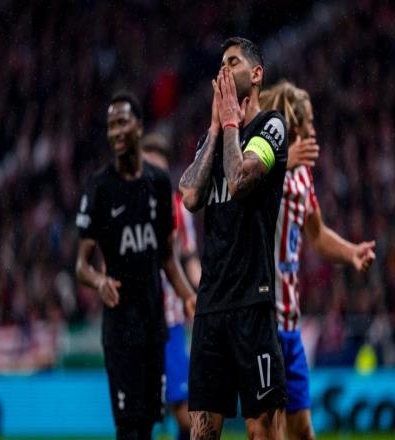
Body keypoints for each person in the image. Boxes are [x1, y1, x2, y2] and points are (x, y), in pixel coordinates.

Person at [179, 37, 289, 440]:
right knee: (202, 432)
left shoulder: (271, 127)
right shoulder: (211, 139)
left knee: (262, 430)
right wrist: (215, 127)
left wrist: (229, 125)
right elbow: (190, 196)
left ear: (256, 74)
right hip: (210, 306)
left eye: (233, 62)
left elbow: (241, 180)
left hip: (252, 302)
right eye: (221, 64)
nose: (224, 70)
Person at [75, 91, 196, 440]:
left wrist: (189, 296)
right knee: (128, 428)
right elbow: (81, 265)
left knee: (146, 424)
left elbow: (167, 257)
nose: (115, 131)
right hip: (119, 328)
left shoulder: (159, 185)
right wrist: (99, 282)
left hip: (155, 324)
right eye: (110, 125)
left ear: (139, 127)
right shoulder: (99, 188)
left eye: (122, 122)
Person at [259, 80, 376, 440]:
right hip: (262, 317)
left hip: (290, 322)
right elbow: (241, 199)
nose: (313, 129)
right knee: (269, 429)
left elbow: (318, 234)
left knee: (303, 431)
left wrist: (351, 252)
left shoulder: (303, 176)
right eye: (308, 121)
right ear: (293, 124)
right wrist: (281, 161)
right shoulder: (261, 166)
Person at [141, 133, 201, 440]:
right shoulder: (126, 205)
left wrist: (202, 292)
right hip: (135, 322)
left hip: (170, 320)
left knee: (183, 407)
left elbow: (189, 257)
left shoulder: (178, 208)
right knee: (139, 411)